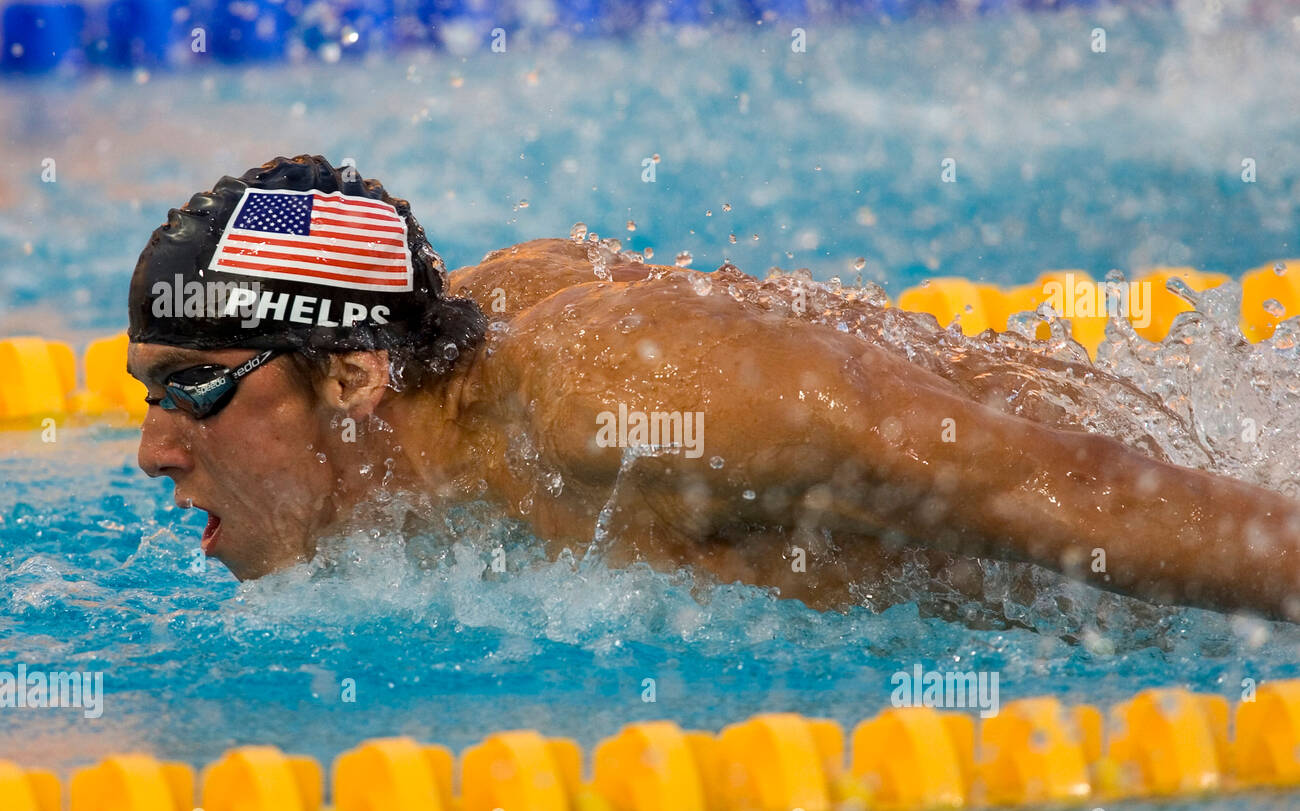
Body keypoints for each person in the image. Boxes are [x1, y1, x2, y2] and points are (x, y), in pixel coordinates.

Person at [127, 155, 1300, 623]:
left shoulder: (614, 397)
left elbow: (1046, 479)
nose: (153, 449)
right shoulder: (445, 391)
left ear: (351, 372)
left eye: (192, 391)